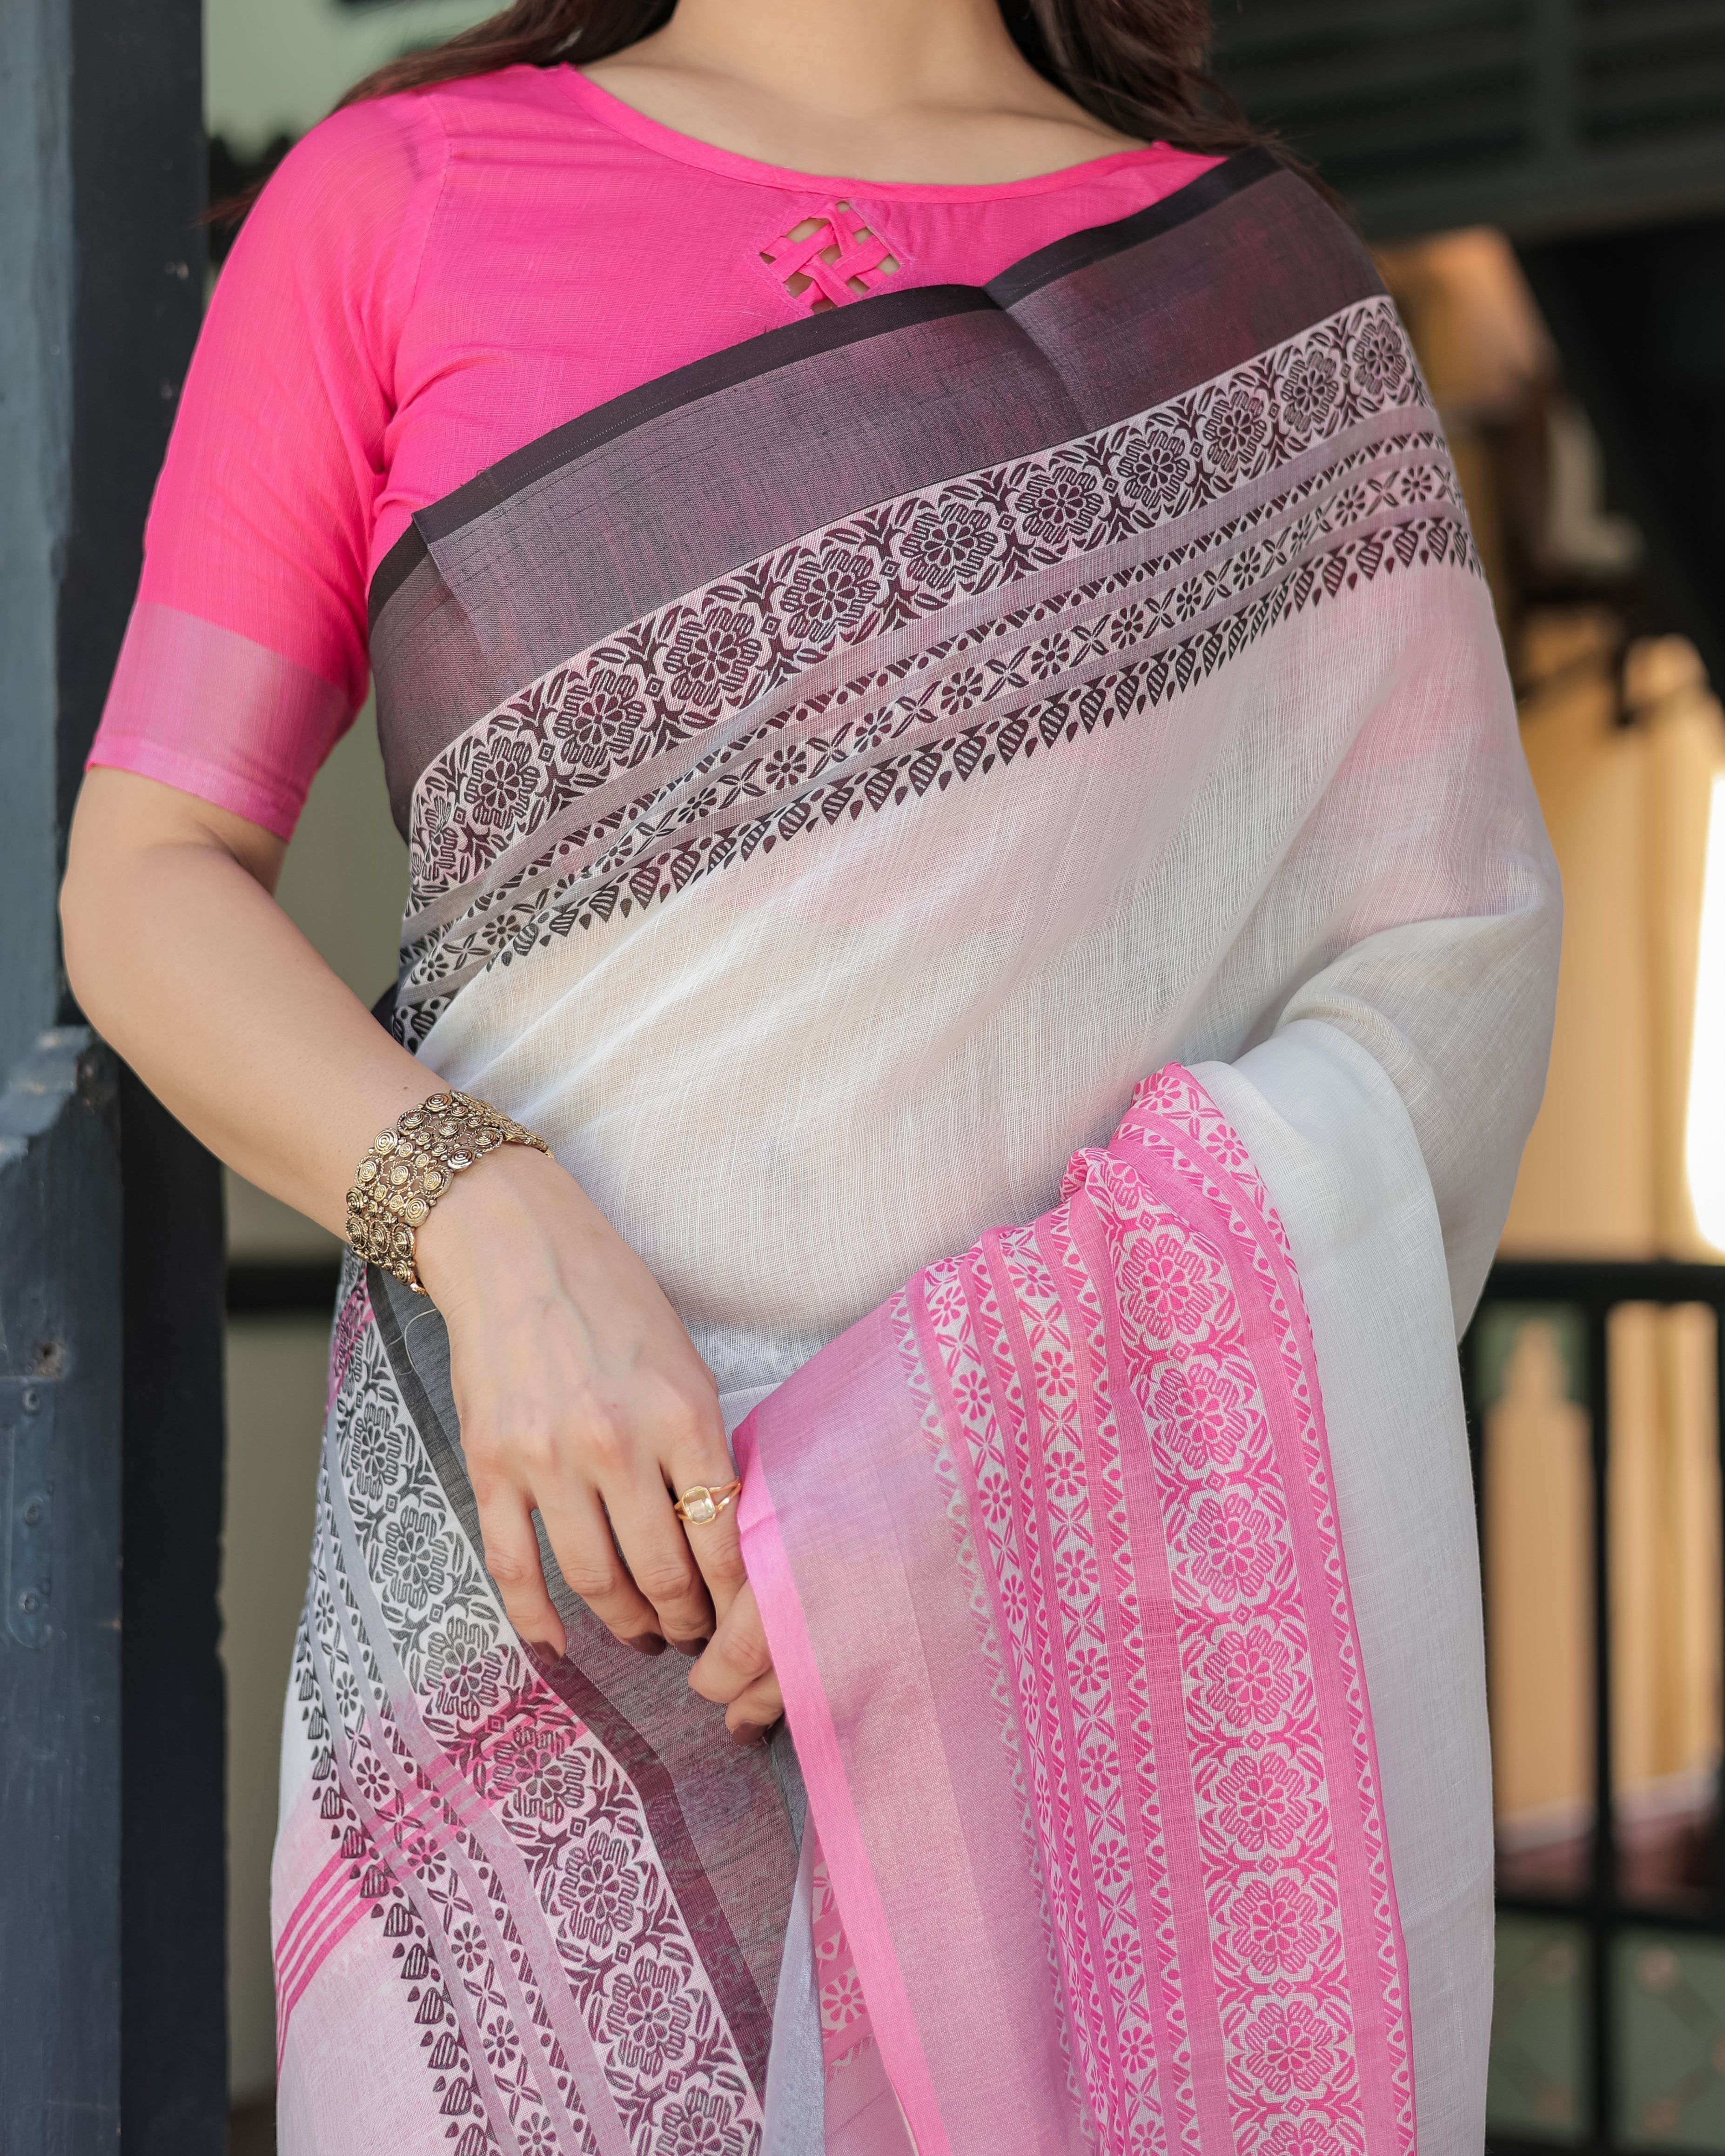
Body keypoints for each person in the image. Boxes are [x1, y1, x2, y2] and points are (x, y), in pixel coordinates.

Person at [60, 2, 1561, 2150]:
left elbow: (1449, 977)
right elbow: (145, 881)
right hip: (543, 1626)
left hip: (1059, 1682)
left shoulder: (1256, 287)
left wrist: (955, 1452)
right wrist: (487, 1222)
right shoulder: (405, 202)